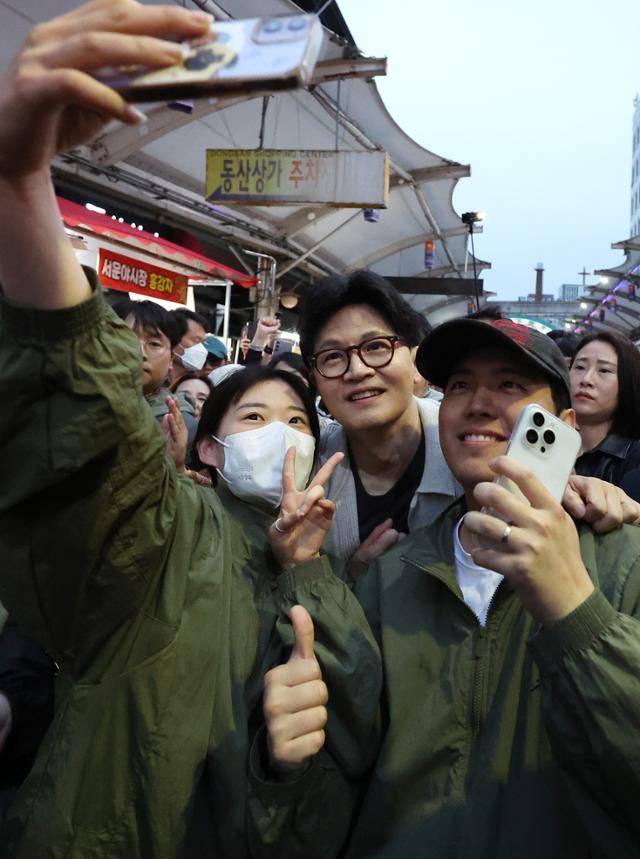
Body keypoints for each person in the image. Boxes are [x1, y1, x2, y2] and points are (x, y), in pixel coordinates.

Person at [0, 4, 380, 855]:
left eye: (296, 420)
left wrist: (285, 759)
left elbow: (349, 768)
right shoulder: (164, 531)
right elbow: (86, 439)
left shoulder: (337, 585)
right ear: (207, 445)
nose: (279, 435)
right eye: (253, 416)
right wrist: (20, 184)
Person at [257, 317, 640, 857]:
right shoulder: (394, 577)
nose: (477, 403)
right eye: (459, 385)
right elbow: (340, 796)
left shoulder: (626, 561)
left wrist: (577, 616)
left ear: (565, 425)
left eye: (509, 384)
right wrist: (288, 765)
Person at [298, 270, 460, 562]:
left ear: (414, 362)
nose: (357, 370)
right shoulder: (305, 472)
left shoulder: (469, 454)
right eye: (333, 356)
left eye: (376, 347)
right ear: (315, 378)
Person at [113, 297, 199, 443]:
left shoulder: (180, 425)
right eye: (126, 339)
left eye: (153, 344)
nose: (140, 353)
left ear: (171, 358)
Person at [571, 331, 640, 500]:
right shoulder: (543, 439)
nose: (586, 379)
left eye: (604, 370)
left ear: (627, 382)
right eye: (579, 367)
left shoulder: (634, 460)